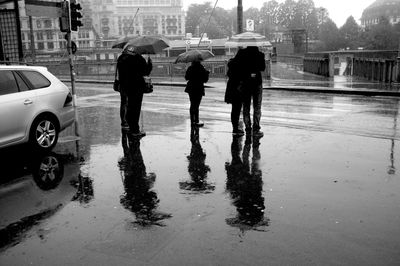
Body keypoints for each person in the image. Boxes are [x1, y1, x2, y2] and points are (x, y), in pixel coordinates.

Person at [117, 45, 152, 137]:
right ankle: (135, 131)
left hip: (125, 86)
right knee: (135, 108)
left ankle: (129, 126)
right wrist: (149, 63)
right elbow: (145, 72)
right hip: (136, 87)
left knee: (129, 106)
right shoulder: (138, 59)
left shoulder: (121, 58)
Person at [239, 46, 266, 137]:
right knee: (257, 107)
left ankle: (248, 128)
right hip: (257, 83)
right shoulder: (260, 55)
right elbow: (262, 68)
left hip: (246, 84)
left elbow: (240, 67)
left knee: (246, 107)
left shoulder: (242, 54)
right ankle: (256, 129)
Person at [225, 48, 245, 136]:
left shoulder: (232, 63)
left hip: (231, 88)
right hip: (239, 89)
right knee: (237, 109)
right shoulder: (241, 65)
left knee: (234, 110)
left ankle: (234, 127)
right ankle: (236, 129)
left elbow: (228, 74)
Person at [184, 59, 210, 127]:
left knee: (192, 104)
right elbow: (205, 80)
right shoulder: (202, 68)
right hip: (199, 88)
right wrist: (207, 73)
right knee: (197, 105)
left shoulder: (190, 68)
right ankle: (197, 120)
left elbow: (186, 78)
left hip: (191, 88)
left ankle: (192, 120)